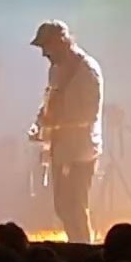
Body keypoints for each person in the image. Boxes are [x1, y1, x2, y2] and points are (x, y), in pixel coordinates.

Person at [28, 20, 103, 243]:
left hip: (80, 151)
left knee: (76, 207)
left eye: (46, 47)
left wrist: (54, 124)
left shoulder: (87, 71)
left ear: (61, 43)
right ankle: (76, 244)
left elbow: (88, 115)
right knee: (62, 207)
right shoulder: (56, 69)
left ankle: (83, 250)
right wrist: (39, 122)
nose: (43, 54)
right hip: (60, 148)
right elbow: (50, 101)